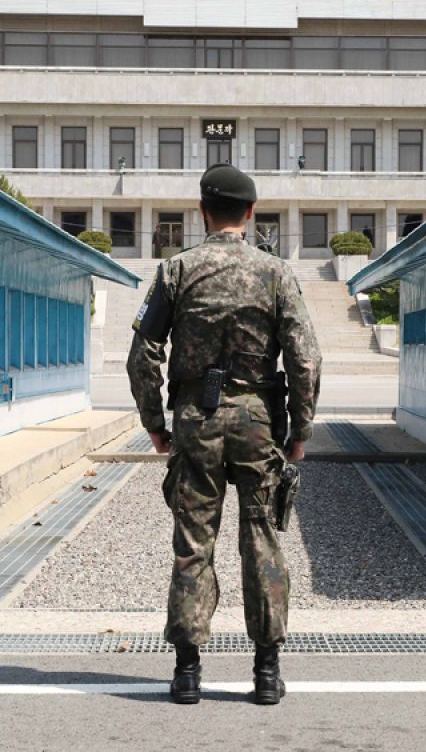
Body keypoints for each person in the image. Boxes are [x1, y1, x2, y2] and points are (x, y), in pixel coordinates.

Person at [127, 163, 321, 706]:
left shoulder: (176, 271)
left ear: (203, 211)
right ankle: (265, 671)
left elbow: (143, 354)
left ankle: (187, 671)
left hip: (197, 422)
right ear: (252, 213)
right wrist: (300, 430)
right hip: (259, 423)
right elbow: (306, 357)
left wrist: (155, 425)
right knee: (261, 539)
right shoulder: (277, 273)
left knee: (194, 545)